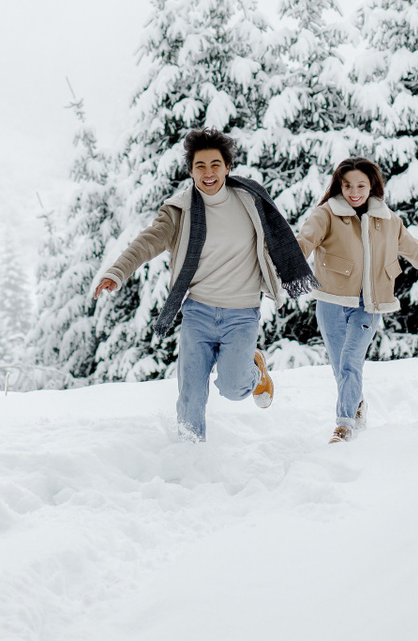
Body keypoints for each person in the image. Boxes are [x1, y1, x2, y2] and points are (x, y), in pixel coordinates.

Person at [91, 128, 318, 441]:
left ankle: (255, 371)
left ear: (227, 167)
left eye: (215, 165)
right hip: (198, 313)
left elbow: (278, 242)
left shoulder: (251, 201)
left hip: (241, 314)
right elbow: (148, 241)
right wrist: (117, 272)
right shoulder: (180, 210)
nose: (208, 173)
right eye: (200, 166)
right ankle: (190, 453)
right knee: (191, 395)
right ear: (190, 171)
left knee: (234, 388)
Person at [295, 156, 418, 443]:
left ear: (372, 186)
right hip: (331, 301)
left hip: (369, 304)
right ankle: (356, 404)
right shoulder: (326, 214)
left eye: (361, 185)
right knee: (339, 364)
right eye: (347, 185)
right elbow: (303, 243)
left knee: (350, 361)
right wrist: (279, 266)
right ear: (339, 186)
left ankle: (344, 425)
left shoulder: (389, 220)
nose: (354, 192)